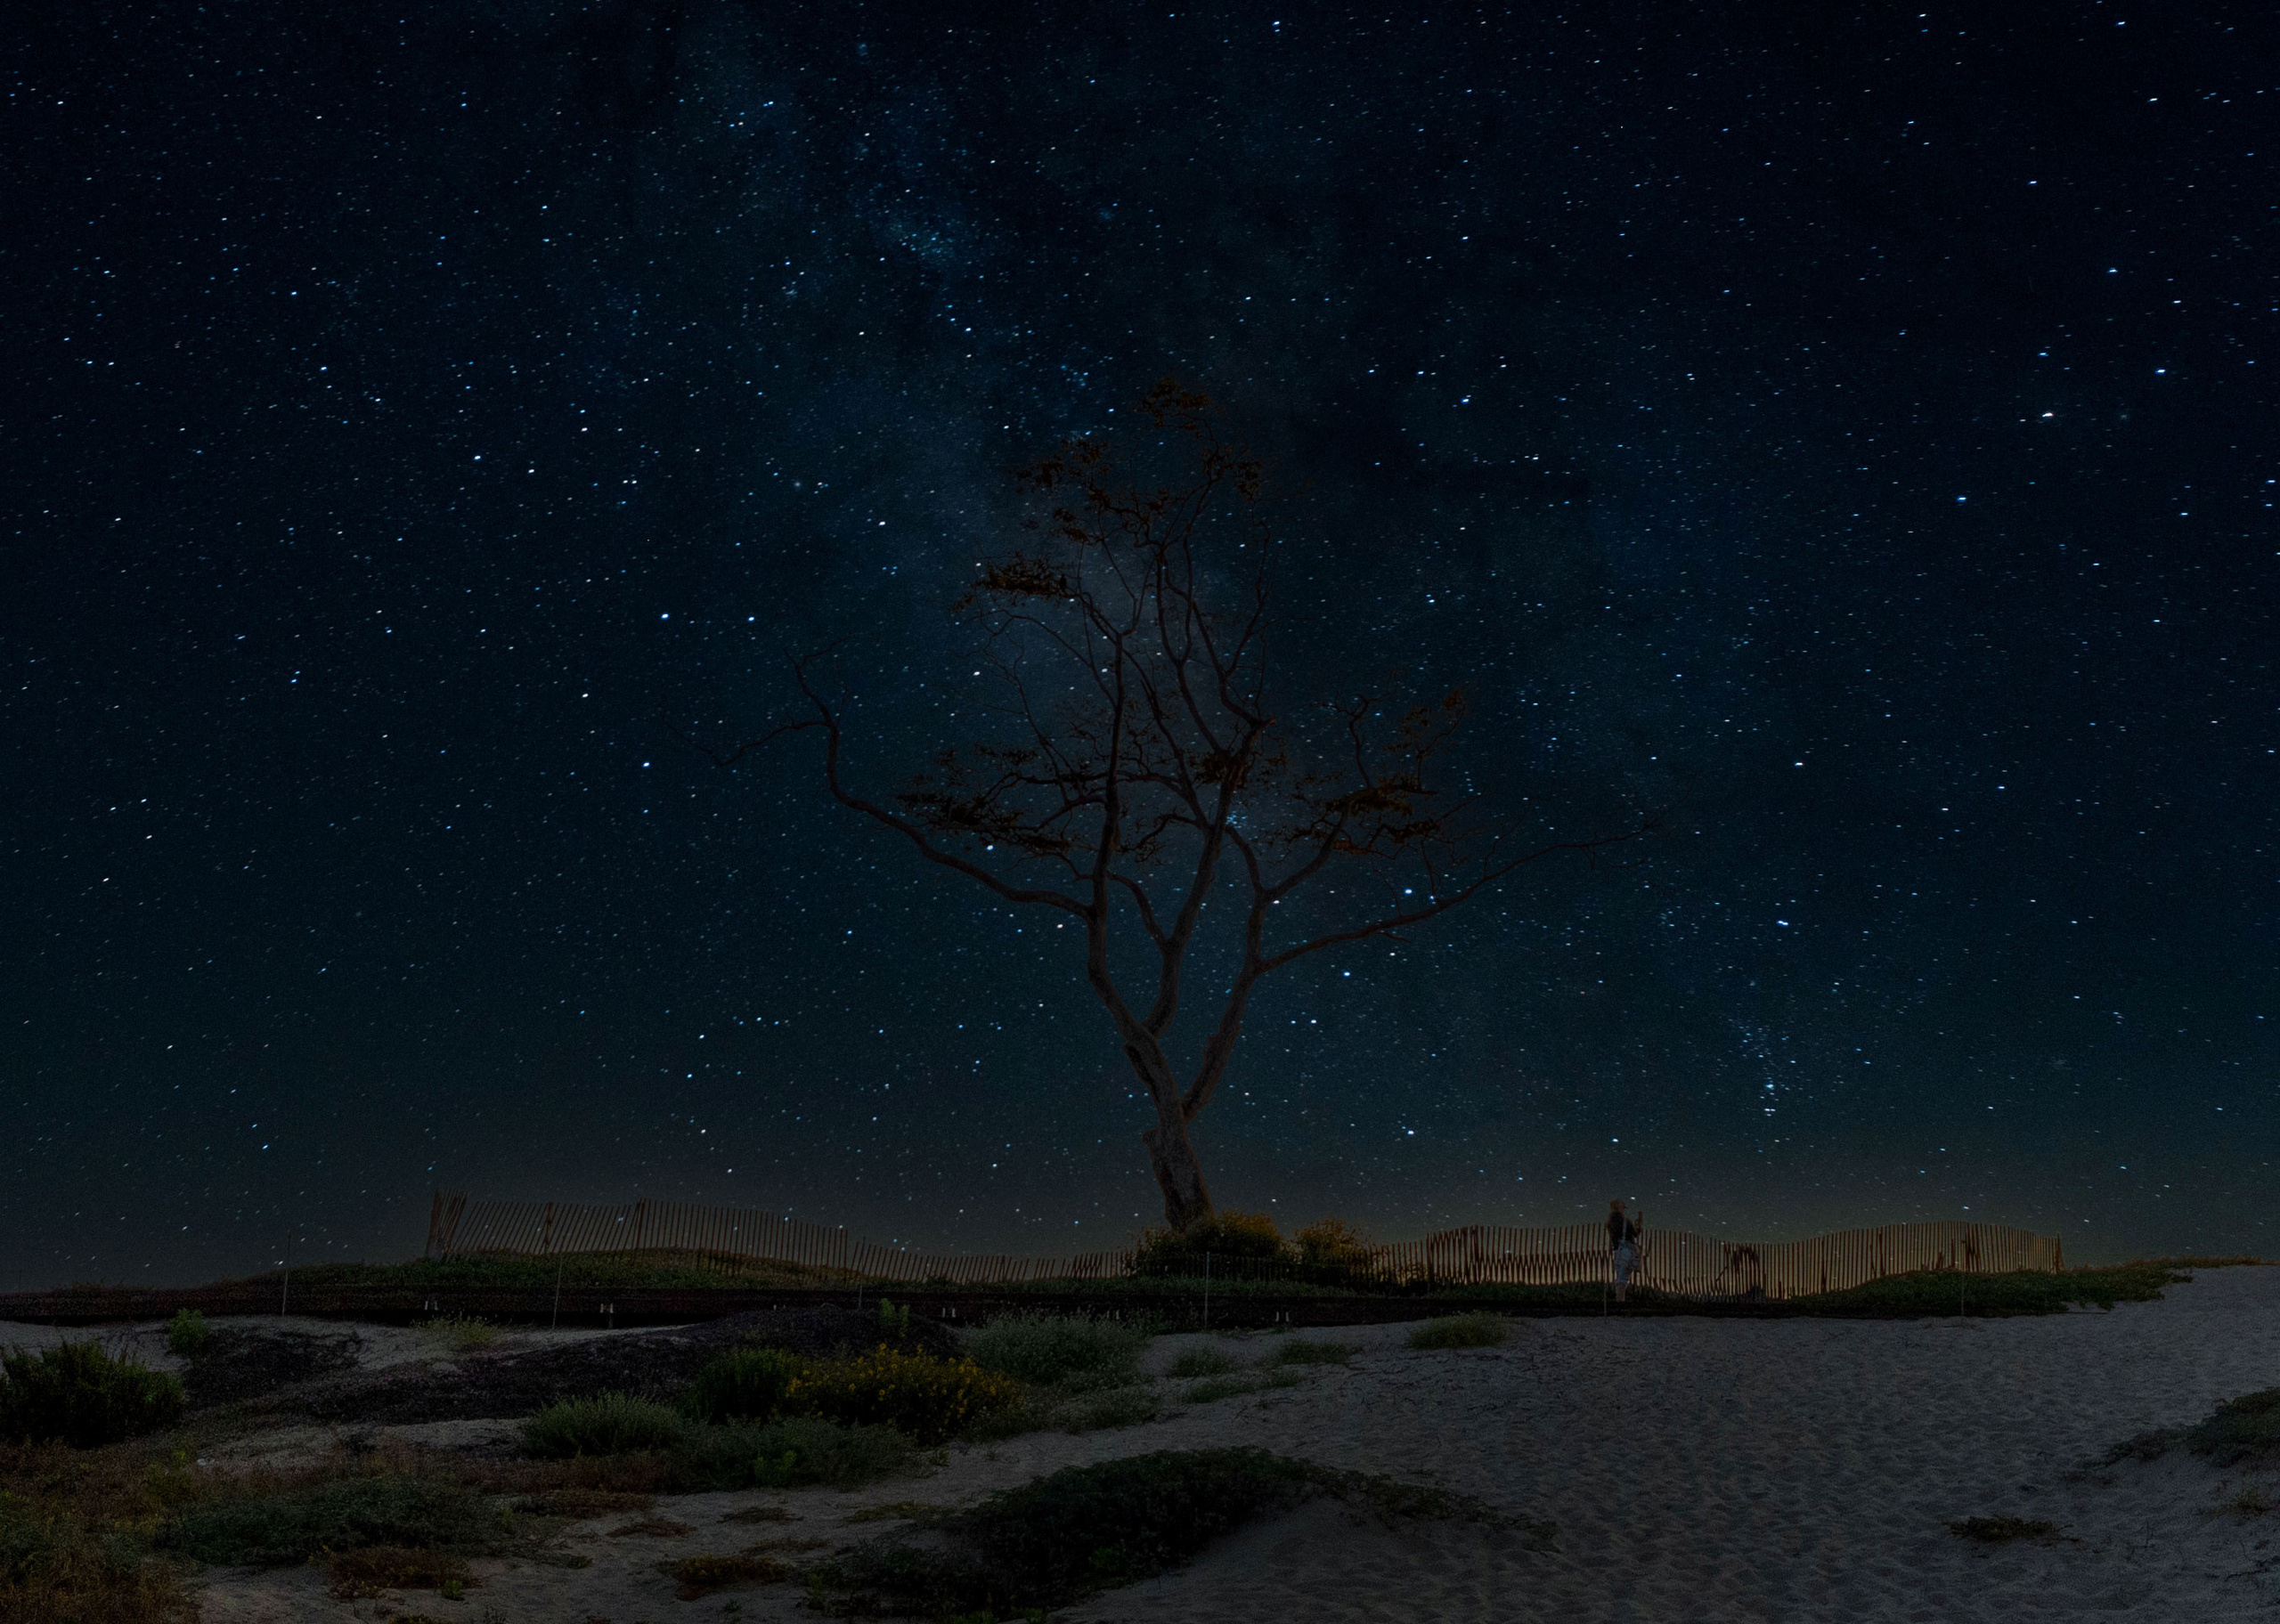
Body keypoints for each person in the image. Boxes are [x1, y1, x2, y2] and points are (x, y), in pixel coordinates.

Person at [1606, 1198, 1643, 1303]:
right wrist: (1639, 1228)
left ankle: (1620, 1299)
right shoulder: (1626, 1222)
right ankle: (1620, 1300)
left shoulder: (1610, 1223)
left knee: (1620, 1273)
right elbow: (1635, 1234)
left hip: (1617, 1250)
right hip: (1627, 1249)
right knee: (1624, 1275)